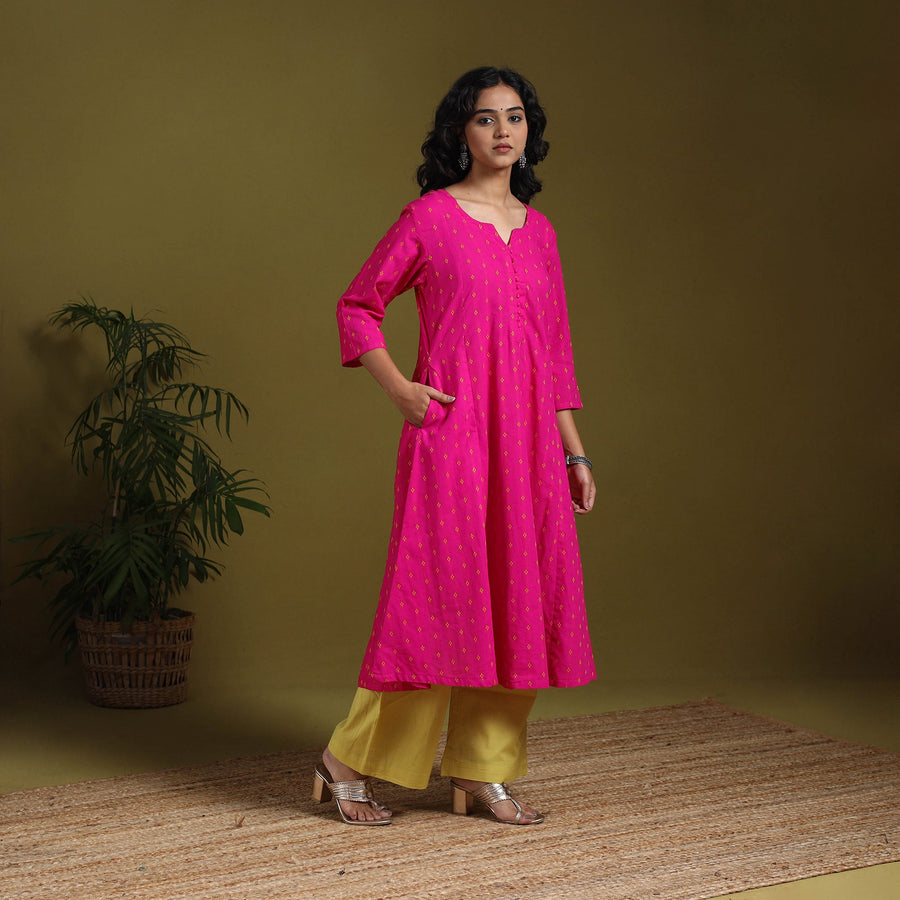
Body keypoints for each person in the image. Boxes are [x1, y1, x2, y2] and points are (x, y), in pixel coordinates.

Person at [313, 66, 596, 826]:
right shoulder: (430, 218)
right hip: (455, 437)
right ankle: (348, 760)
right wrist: (400, 389)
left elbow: (555, 351)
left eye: (515, 117)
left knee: (519, 600)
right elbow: (358, 306)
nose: (503, 131)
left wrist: (573, 452)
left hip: (531, 447)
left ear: (529, 131)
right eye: (485, 118)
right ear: (460, 133)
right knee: (434, 603)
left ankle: (482, 770)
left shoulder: (541, 232)